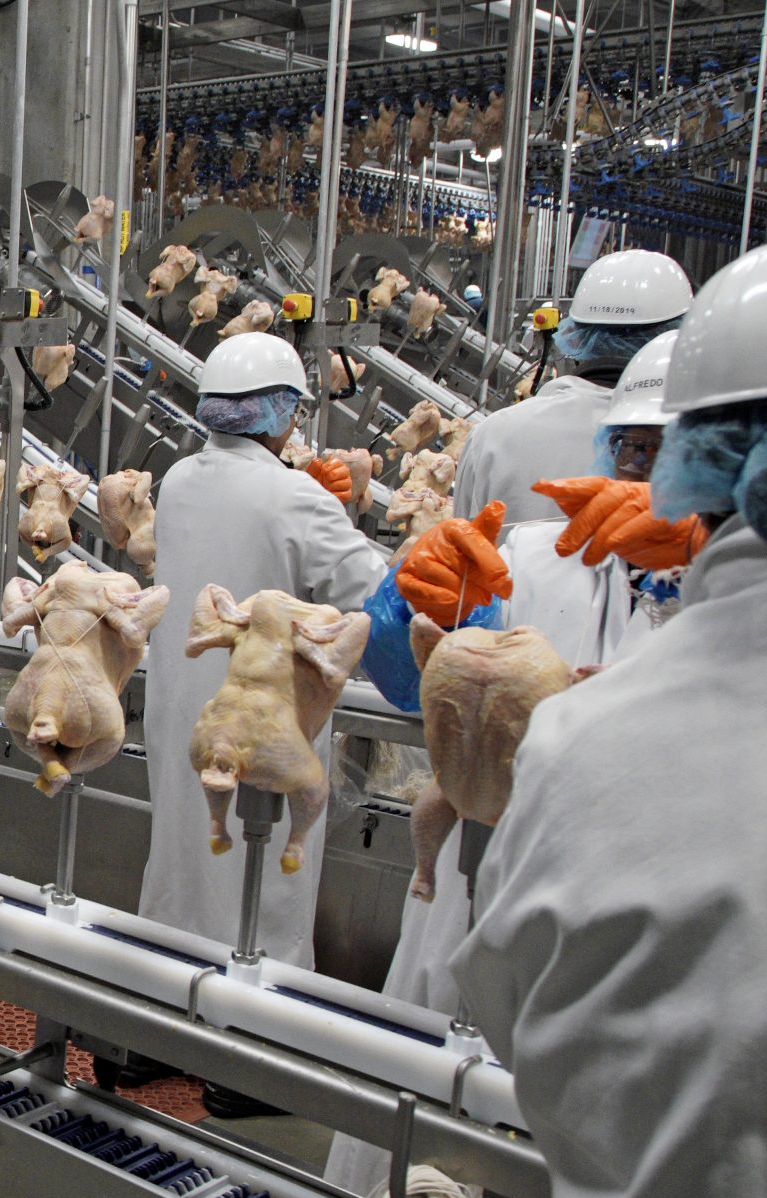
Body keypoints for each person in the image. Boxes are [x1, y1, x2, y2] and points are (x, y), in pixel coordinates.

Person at [450, 245, 767, 1198]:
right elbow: (437, 651)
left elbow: (508, 996)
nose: (631, 481)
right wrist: (420, 619)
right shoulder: (535, 549)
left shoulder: (600, 735)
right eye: (622, 454)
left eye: (648, 457)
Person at [324, 330, 702, 1193]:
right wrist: (401, 604)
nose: (648, 475)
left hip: (626, 939)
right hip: (474, 893)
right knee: (418, 1167)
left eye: (675, 455)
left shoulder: (733, 609)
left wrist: (692, 583)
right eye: (634, 448)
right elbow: (411, 680)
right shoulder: (537, 555)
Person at [132, 333, 503, 1111]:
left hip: (185, 712)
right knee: (266, 885)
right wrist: (360, 515)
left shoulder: (177, 480)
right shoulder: (294, 497)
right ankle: (253, 1062)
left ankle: (154, 1032)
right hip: (271, 724)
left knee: (182, 864)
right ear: (279, 413)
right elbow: (373, 597)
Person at [454, 249, 692, 526]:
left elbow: (461, 552)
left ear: (575, 336)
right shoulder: (690, 443)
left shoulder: (493, 435)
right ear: (680, 337)